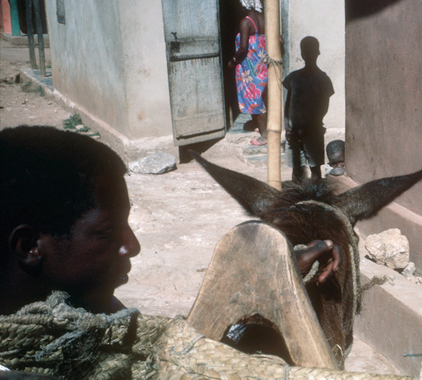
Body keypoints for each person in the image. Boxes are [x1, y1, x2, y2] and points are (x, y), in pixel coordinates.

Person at [0, 126, 341, 317]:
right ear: (30, 246)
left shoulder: (90, 309)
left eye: (128, 225)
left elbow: (172, 348)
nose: (132, 247)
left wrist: (272, 277)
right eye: (107, 232)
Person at [283, 36, 335, 182]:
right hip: (293, 132)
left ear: (318, 52)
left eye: (311, 51)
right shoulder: (292, 78)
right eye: (305, 51)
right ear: (301, 54)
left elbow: (324, 107)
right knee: (297, 169)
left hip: (313, 131)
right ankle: (297, 200)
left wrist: (309, 126)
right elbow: (288, 104)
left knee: (315, 169)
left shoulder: (323, 80)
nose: (308, 54)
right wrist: (287, 126)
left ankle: (315, 199)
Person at [228, 0, 269, 147]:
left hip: (250, 67)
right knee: (260, 96)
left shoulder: (246, 22)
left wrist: (232, 61)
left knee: (254, 99)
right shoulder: (264, 19)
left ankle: (264, 135)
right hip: (262, 64)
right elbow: (279, 39)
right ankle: (259, 126)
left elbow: (244, 47)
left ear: (244, 4)